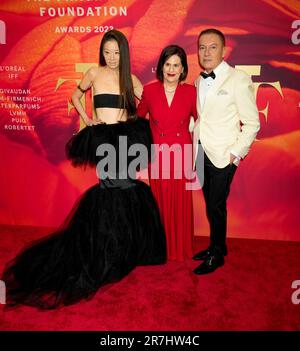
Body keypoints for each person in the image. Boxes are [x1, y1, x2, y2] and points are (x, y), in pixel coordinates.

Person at [2, 29, 167, 309]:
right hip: (103, 138)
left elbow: (150, 102)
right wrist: (87, 119)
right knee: (112, 187)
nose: (112, 57)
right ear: (101, 52)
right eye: (107, 52)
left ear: (123, 53)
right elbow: (76, 97)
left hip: (127, 138)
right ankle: (110, 249)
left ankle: (123, 247)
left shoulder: (132, 79)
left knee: (126, 187)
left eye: (117, 53)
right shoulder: (93, 73)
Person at [192, 28, 260, 275]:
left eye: (212, 47)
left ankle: (217, 255)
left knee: (216, 206)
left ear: (223, 50)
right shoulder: (199, 80)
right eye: (202, 47)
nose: (206, 52)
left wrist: (235, 153)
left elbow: (252, 123)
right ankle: (216, 246)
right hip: (199, 151)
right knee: (213, 205)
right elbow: (200, 118)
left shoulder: (238, 79)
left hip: (223, 154)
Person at [137, 45, 197, 262]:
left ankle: (180, 247)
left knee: (180, 200)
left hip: (181, 153)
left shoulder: (191, 92)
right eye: (167, 64)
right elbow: (138, 119)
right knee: (160, 199)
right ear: (161, 66)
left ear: (182, 69)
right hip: (158, 153)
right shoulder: (150, 90)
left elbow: (201, 121)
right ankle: (161, 247)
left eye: (176, 65)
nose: (171, 69)